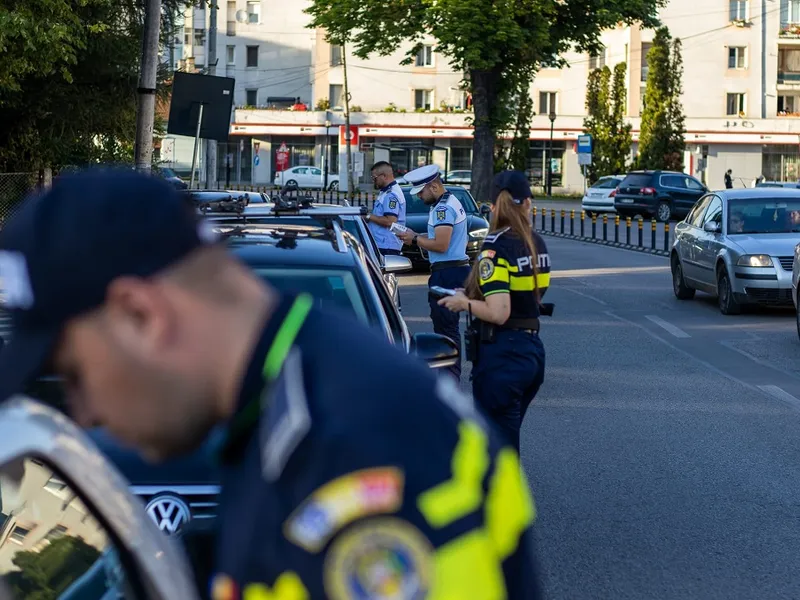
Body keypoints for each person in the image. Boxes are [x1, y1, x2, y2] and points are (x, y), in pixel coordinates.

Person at [0, 168, 544, 599]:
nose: (84, 413)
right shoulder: (291, 400)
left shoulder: (357, 451)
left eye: (75, 373)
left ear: (142, 316)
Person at [438, 171, 547, 452]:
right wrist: (475, 294)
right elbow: (525, 296)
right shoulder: (536, 244)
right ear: (527, 203)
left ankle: (502, 495)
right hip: (531, 351)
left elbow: (499, 312)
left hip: (503, 357)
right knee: (504, 439)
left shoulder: (496, 248)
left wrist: (465, 303)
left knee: (497, 452)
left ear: (496, 206)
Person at [397, 164, 470, 381]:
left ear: (434, 186)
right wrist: (417, 236)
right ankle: (449, 374)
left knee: (446, 330)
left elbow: (441, 245)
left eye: (421, 192)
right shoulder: (446, 203)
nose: (419, 197)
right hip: (452, 270)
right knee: (446, 327)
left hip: (447, 273)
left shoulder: (442, 209)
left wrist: (414, 238)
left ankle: (450, 377)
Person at [365, 161, 406, 256]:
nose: (373, 180)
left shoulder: (391, 195)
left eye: (374, 178)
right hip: (384, 243)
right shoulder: (386, 192)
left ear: (383, 176)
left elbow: (390, 221)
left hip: (387, 246)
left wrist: (368, 216)